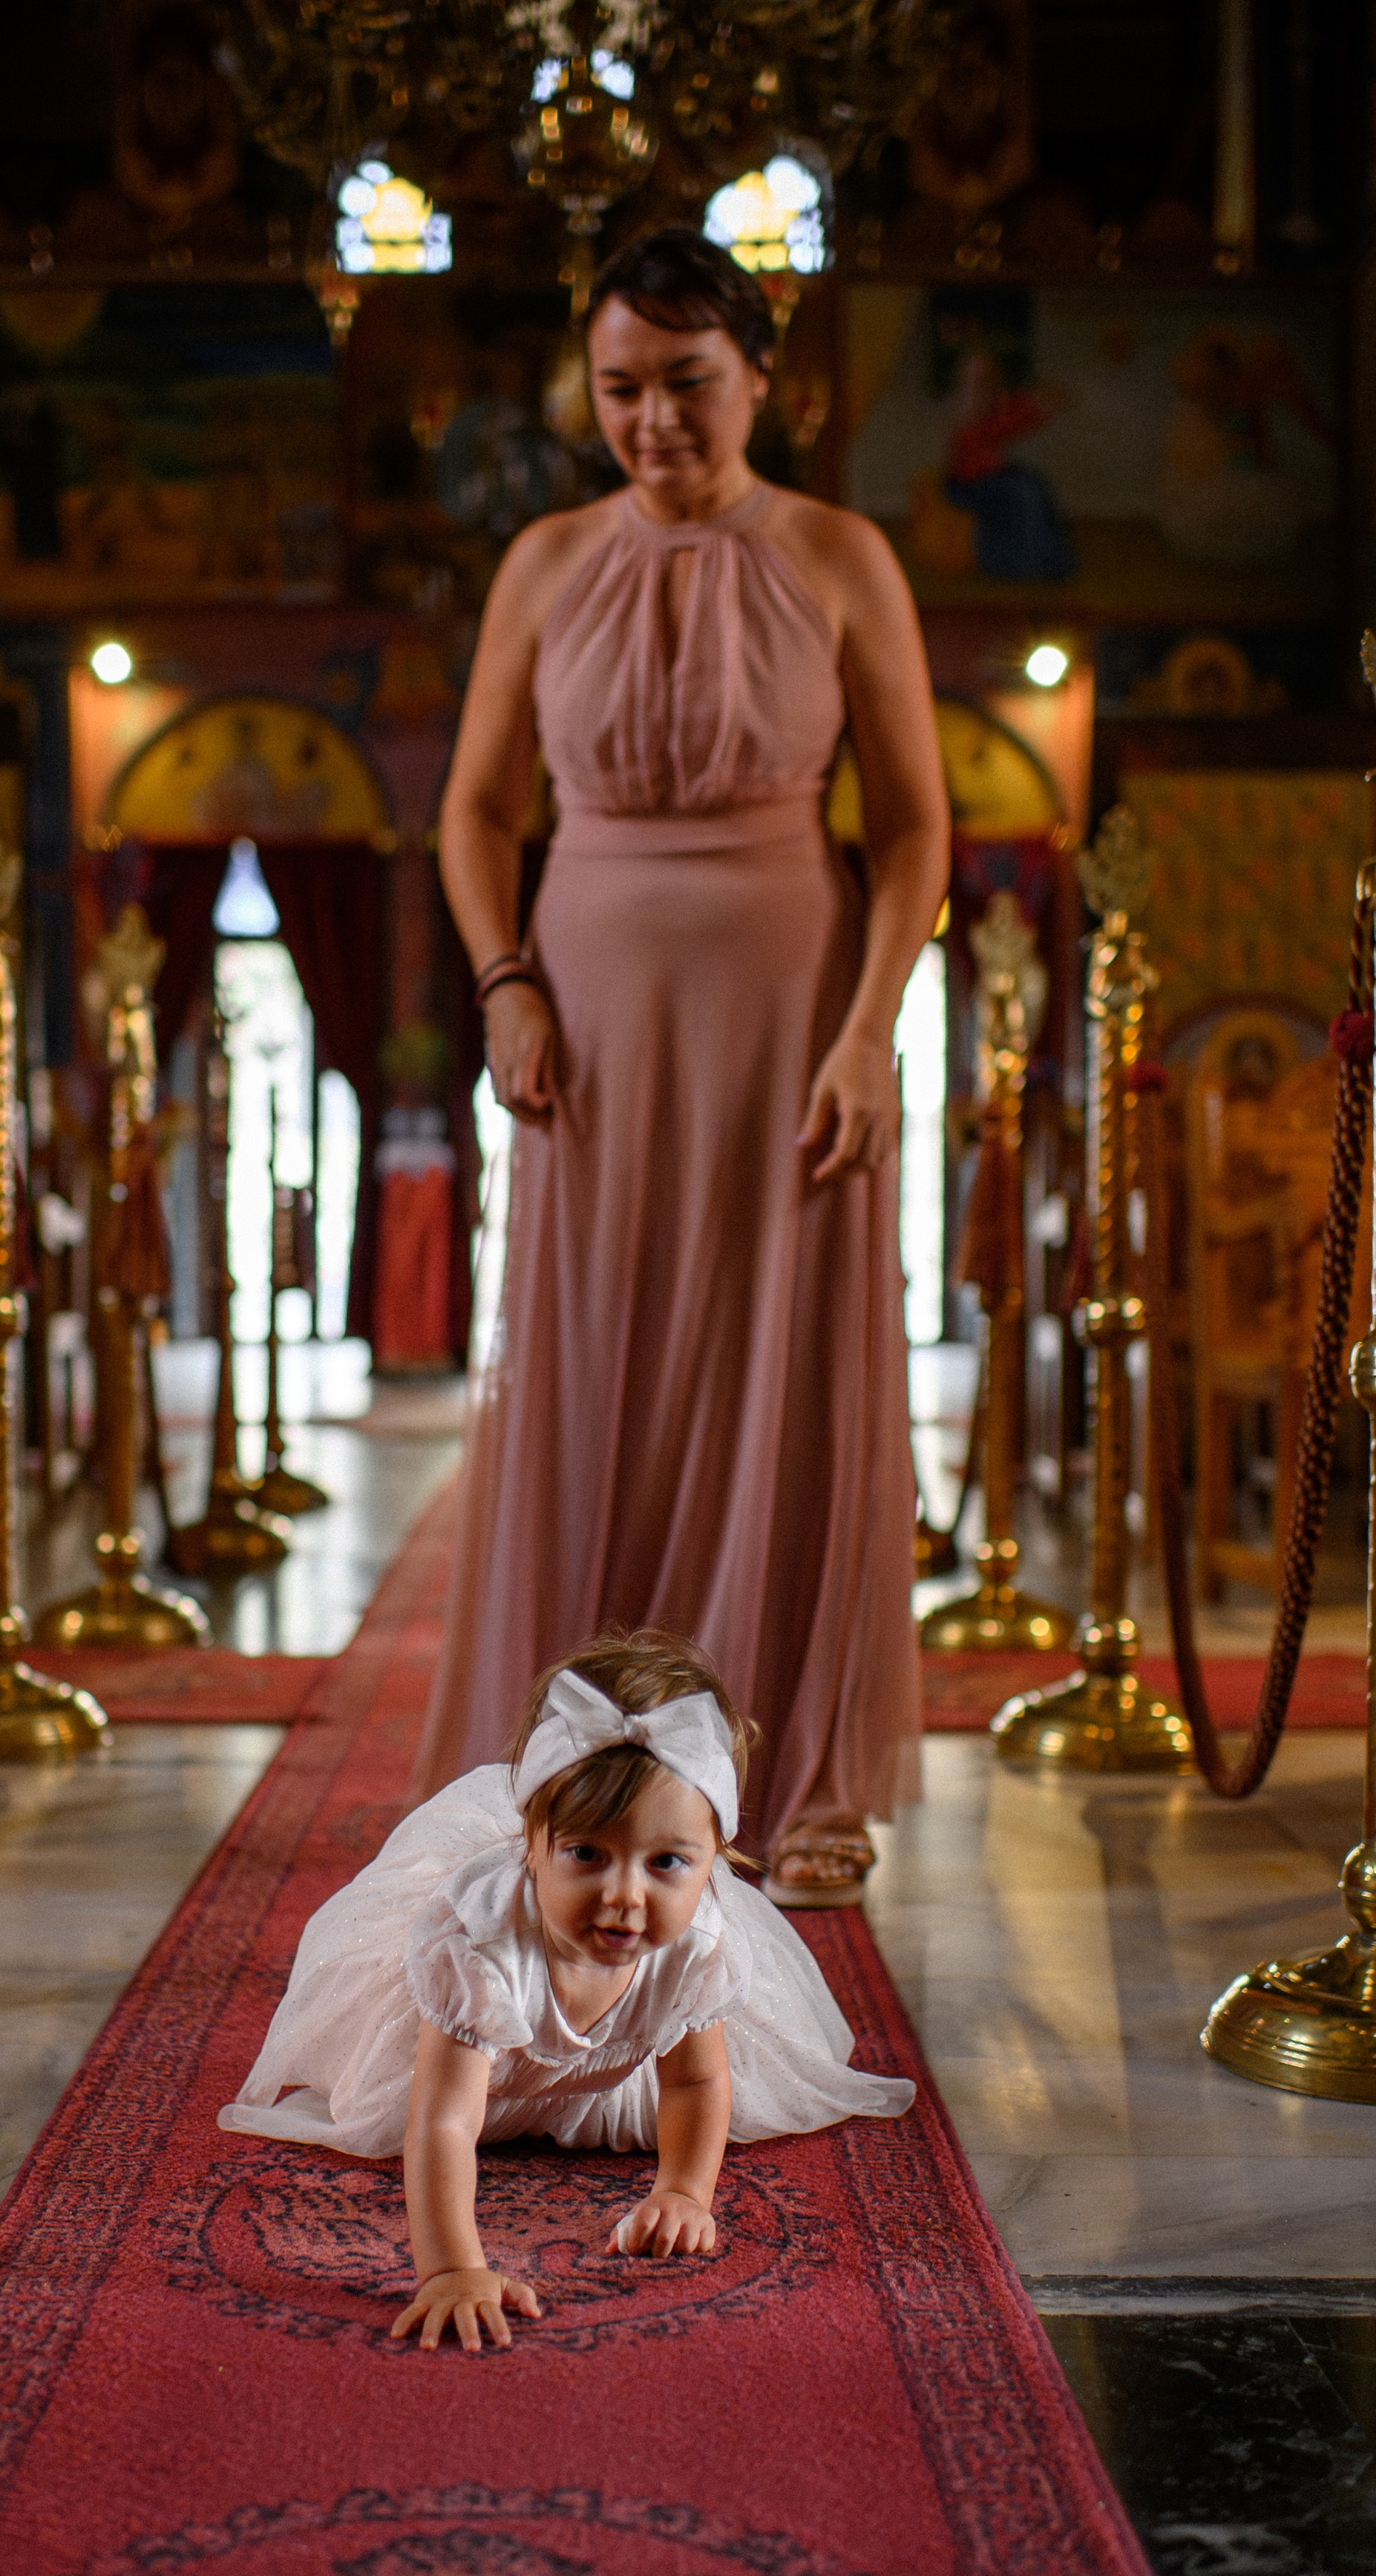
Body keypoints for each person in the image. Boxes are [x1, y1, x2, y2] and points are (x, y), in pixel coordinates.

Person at [411, 226, 951, 1903]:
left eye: (686, 384)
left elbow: (918, 821)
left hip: (791, 1004)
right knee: (598, 1362)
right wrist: (502, 981)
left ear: (760, 378)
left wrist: (868, 1032)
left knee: (780, 1365)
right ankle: (586, 1760)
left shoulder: (839, 552)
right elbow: (477, 807)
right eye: (618, 388)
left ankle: (784, 1772)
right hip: (582, 1009)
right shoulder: (543, 558)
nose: (652, 422)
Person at [220, 1627, 915, 2353]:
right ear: (534, 1844)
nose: (624, 1894)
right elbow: (445, 2120)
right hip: (476, 2064)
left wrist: (682, 2189)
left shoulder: (694, 1942)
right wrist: (454, 2268)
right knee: (381, 2094)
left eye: (666, 1862)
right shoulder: (482, 1948)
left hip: (612, 2070)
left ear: (715, 1858)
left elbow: (695, 2081)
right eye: (586, 1853)